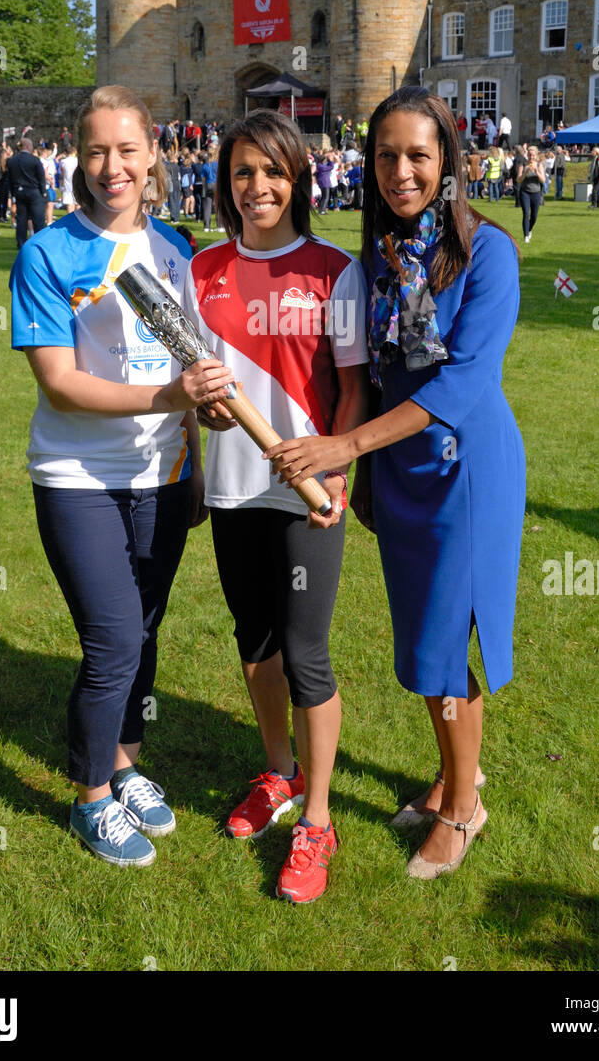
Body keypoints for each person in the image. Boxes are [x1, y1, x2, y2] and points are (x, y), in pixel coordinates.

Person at [264, 87, 524, 880]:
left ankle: (463, 809)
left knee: (449, 641)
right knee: (422, 641)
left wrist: (344, 446)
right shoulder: (379, 256)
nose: (401, 171)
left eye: (419, 155)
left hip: (465, 472)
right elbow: (377, 373)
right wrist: (366, 467)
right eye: (386, 156)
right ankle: (454, 770)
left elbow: (458, 385)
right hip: (400, 471)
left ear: (448, 160)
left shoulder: (488, 252)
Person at [9, 84, 235, 867]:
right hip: (77, 476)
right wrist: (167, 395)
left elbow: (195, 370)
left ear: (152, 155)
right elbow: (61, 383)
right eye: (97, 150)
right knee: (109, 640)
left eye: (127, 149)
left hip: (165, 477)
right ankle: (90, 798)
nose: (113, 166)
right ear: (80, 157)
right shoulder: (48, 252)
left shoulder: (177, 251)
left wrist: (197, 449)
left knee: (143, 633)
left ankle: (125, 761)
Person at [184, 109, 368, 903]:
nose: (257, 187)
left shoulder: (334, 269)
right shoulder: (200, 270)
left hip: (305, 494)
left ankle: (318, 818)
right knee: (254, 641)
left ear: (298, 178)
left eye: (273, 171)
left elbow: (356, 384)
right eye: (242, 173)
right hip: (232, 484)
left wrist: (336, 469)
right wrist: (203, 412)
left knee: (306, 652)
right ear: (226, 184)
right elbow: (195, 385)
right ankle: (279, 773)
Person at [7, 137, 47, 249]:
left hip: (19, 192)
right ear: (29, 147)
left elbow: (9, 179)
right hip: (34, 192)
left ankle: (21, 242)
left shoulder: (12, 161)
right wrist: (43, 191)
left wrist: (13, 193)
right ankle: (39, 242)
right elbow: (41, 176)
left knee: (22, 219)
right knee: (38, 219)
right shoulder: (34, 160)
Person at [518, 148, 544, 241]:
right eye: (529, 155)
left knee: (534, 216)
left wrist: (536, 171)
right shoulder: (523, 165)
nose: (531, 157)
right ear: (527, 155)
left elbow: (543, 180)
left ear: (536, 155)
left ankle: (529, 229)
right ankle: (525, 236)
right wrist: (526, 172)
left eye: (533, 155)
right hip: (525, 192)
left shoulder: (539, 165)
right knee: (526, 214)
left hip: (536, 193)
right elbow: (518, 180)